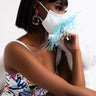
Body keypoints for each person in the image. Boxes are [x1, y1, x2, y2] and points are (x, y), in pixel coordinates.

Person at [1, 0, 96, 96]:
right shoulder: (14, 50)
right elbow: (69, 92)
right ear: (37, 7)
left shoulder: (56, 48)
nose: (63, 17)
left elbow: (76, 90)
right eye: (58, 8)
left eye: (64, 11)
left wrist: (75, 51)